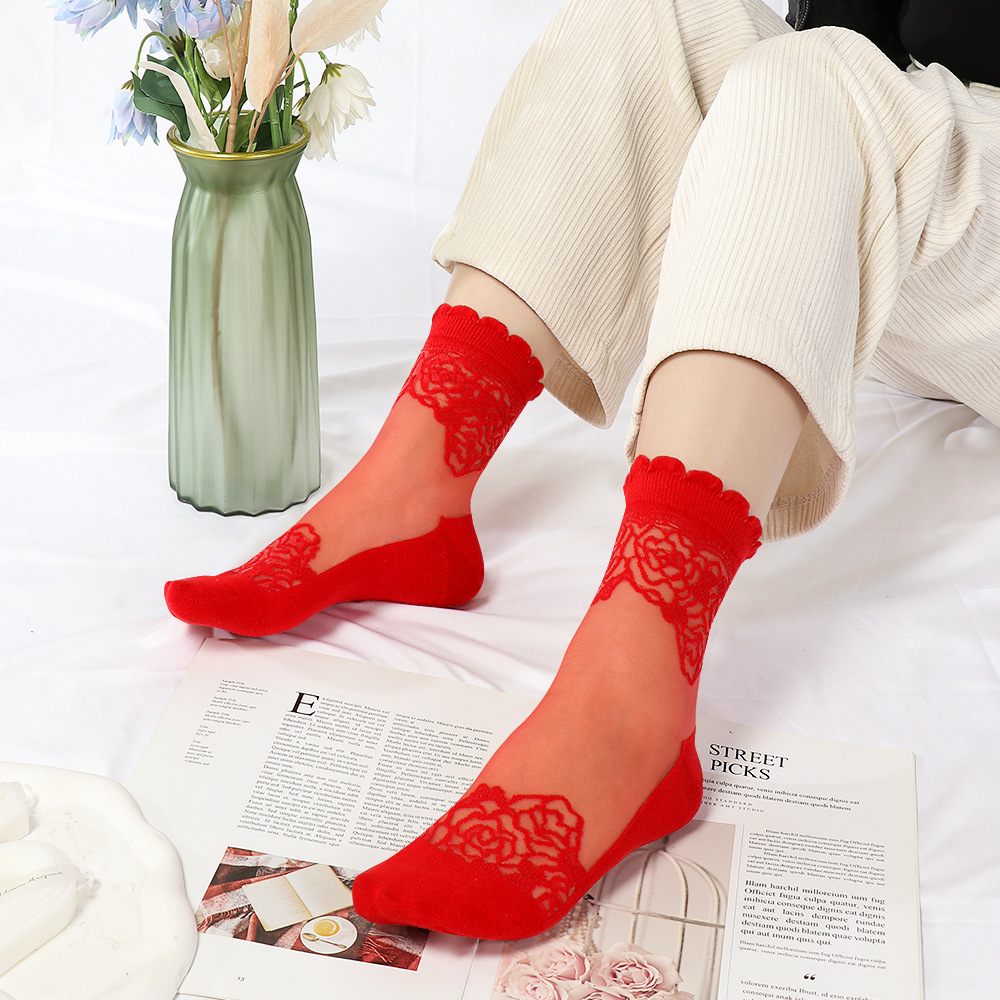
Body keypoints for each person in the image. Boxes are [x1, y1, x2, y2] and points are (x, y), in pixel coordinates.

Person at [164, 0, 1000, 940]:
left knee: (820, 82)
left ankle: (631, 704)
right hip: (897, 204)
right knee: (654, 15)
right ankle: (411, 493)